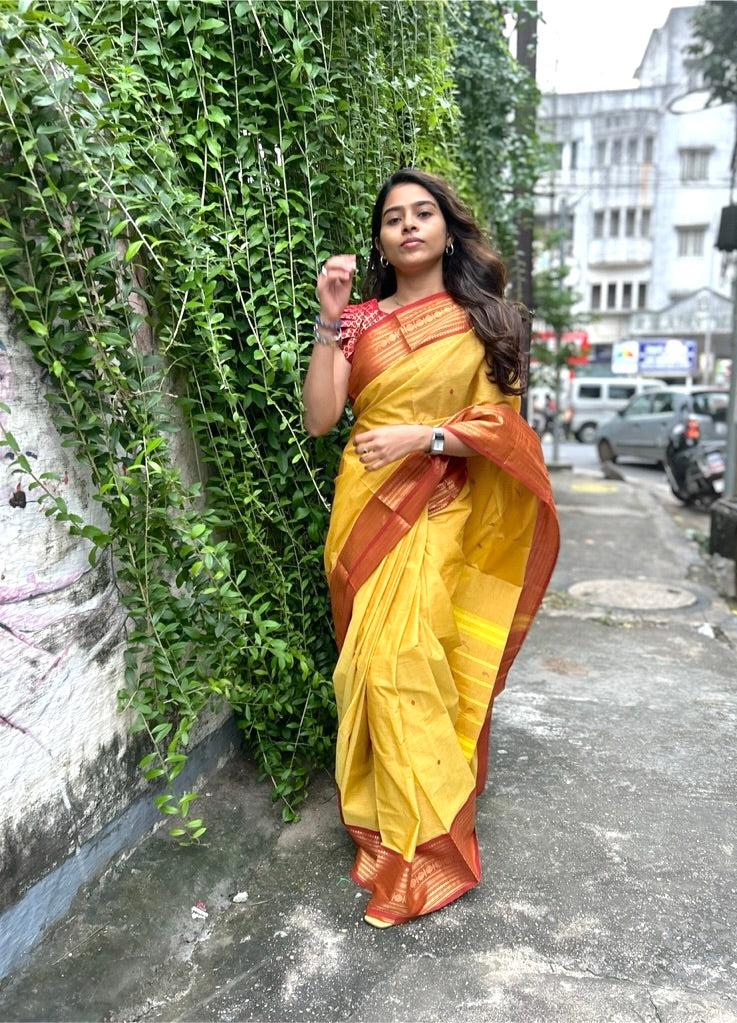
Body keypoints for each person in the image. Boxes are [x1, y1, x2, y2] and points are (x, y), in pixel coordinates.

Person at [302, 168, 559, 928]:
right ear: (381, 241)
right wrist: (328, 321)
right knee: (366, 669)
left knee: (407, 658)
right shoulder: (359, 323)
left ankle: (432, 848)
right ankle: (391, 827)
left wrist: (424, 436)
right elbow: (321, 419)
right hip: (365, 508)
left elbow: (503, 432)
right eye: (393, 218)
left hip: (443, 507)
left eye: (422, 213)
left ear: (447, 230)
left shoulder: (485, 320)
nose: (408, 225)